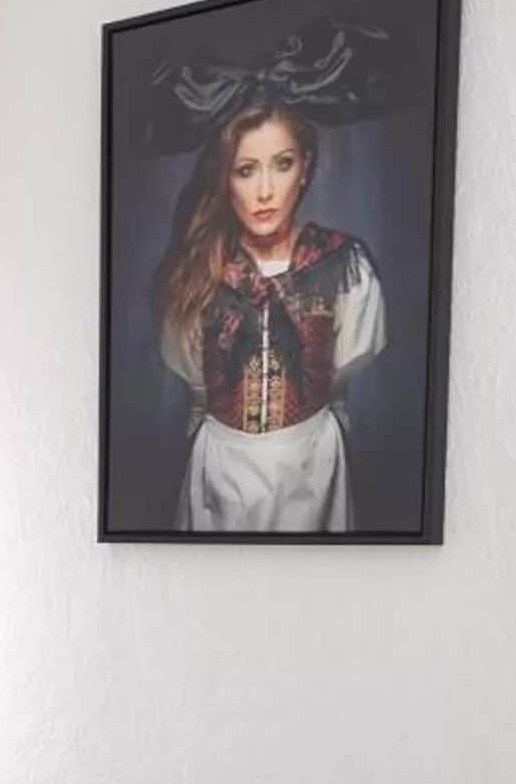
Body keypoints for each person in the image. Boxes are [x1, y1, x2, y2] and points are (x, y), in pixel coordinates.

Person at [154, 102, 384, 533]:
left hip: (312, 465)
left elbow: (348, 360)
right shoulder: (198, 273)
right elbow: (191, 369)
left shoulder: (343, 266)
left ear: (305, 167)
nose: (264, 191)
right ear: (225, 177)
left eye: (281, 165)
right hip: (221, 469)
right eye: (245, 170)